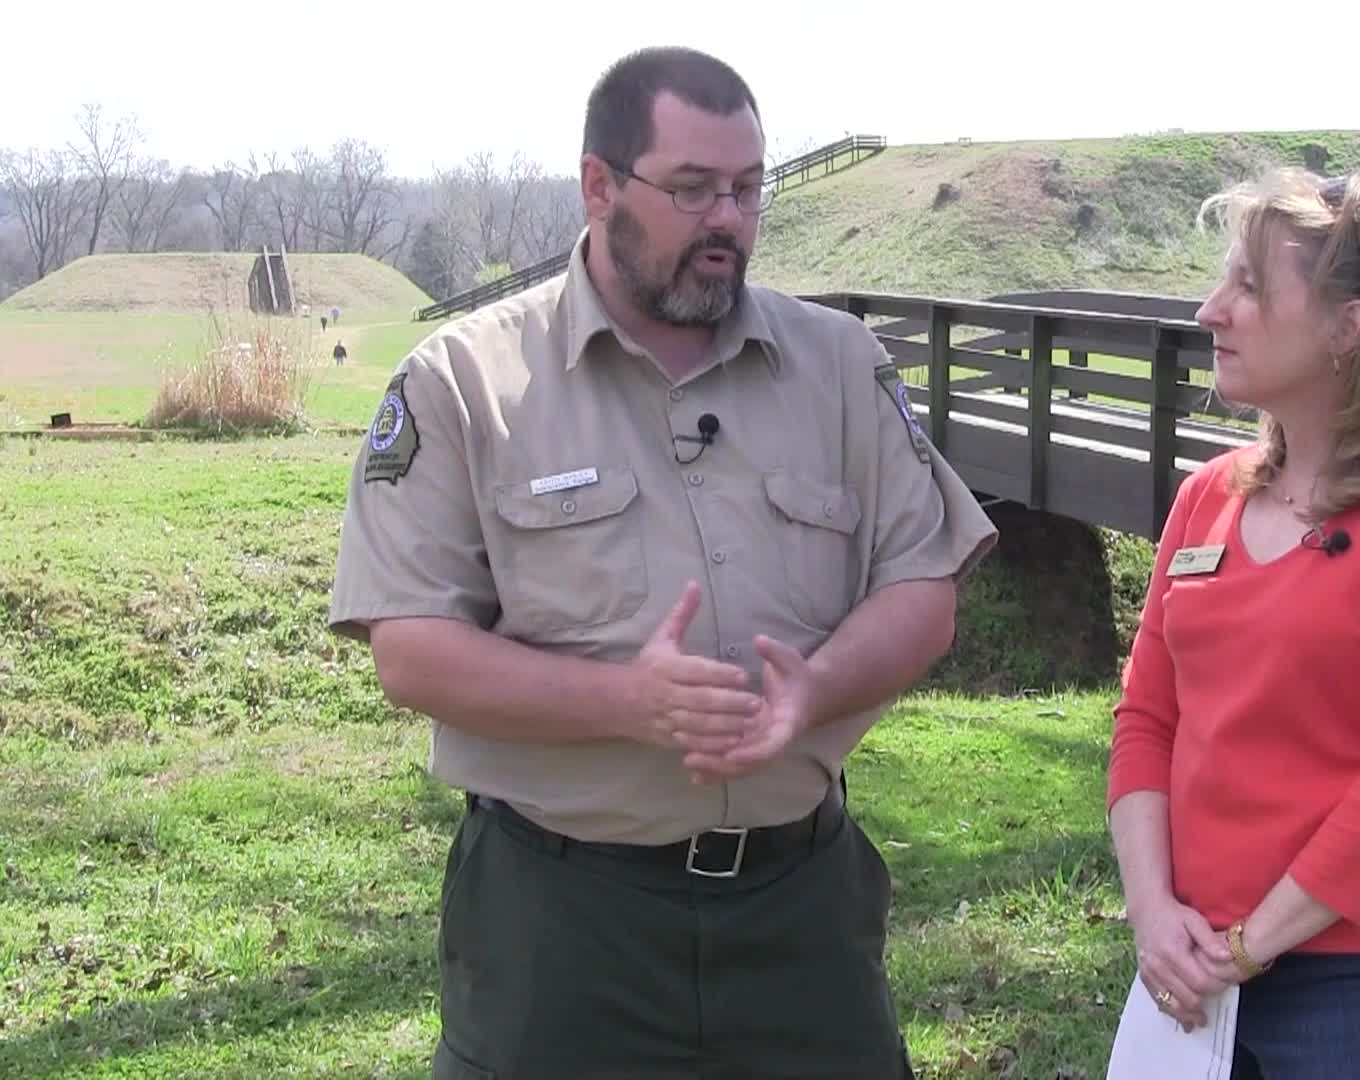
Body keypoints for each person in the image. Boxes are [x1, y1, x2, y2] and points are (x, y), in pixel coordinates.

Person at [326, 46, 997, 1079]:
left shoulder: (840, 367)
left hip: (800, 914)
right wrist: (627, 704)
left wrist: (812, 690)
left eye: (746, 188)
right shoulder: (467, 381)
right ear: (600, 185)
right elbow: (412, 651)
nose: (726, 219)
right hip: (562, 924)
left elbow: (923, 587)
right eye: (691, 189)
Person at [1105, 168, 1360, 1078]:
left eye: (1250, 287)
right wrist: (1154, 914)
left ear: (1349, 326)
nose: (1212, 310)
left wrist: (1251, 944)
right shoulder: (1204, 497)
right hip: (1191, 973)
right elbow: (1146, 721)